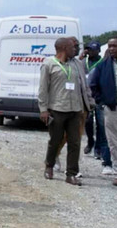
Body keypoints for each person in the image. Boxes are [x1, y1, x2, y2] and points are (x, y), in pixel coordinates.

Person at [39, 37, 93, 186]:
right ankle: (49, 165)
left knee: (75, 142)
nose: (75, 50)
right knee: (55, 140)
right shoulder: (49, 64)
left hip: (75, 109)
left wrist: (89, 103)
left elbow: (84, 85)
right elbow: (43, 89)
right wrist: (43, 109)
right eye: (72, 47)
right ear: (63, 48)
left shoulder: (77, 64)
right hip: (57, 109)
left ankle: (71, 174)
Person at [88, 37, 117, 186]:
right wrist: (102, 101)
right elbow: (93, 84)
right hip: (114, 109)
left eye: (115, 46)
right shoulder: (103, 66)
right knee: (115, 142)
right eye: (110, 46)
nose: (111, 48)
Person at [81, 40, 104, 157]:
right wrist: (81, 56)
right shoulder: (83, 62)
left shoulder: (103, 62)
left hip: (98, 96)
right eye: (89, 49)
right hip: (86, 96)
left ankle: (98, 148)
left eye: (93, 49)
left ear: (98, 50)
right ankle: (90, 141)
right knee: (88, 121)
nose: (90, 51)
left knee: (100, 123)